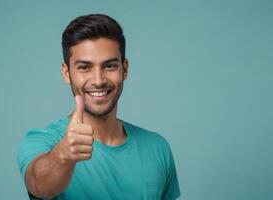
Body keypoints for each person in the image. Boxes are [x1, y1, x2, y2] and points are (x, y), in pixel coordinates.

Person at [17, 14, 180, 200]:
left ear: (124, 69)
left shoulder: (157, 148)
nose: (98, 80)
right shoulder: (43, 142)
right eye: (85, 67)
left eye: (109, 66)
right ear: (66, 73)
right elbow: (39, 185)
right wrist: (63, 155)